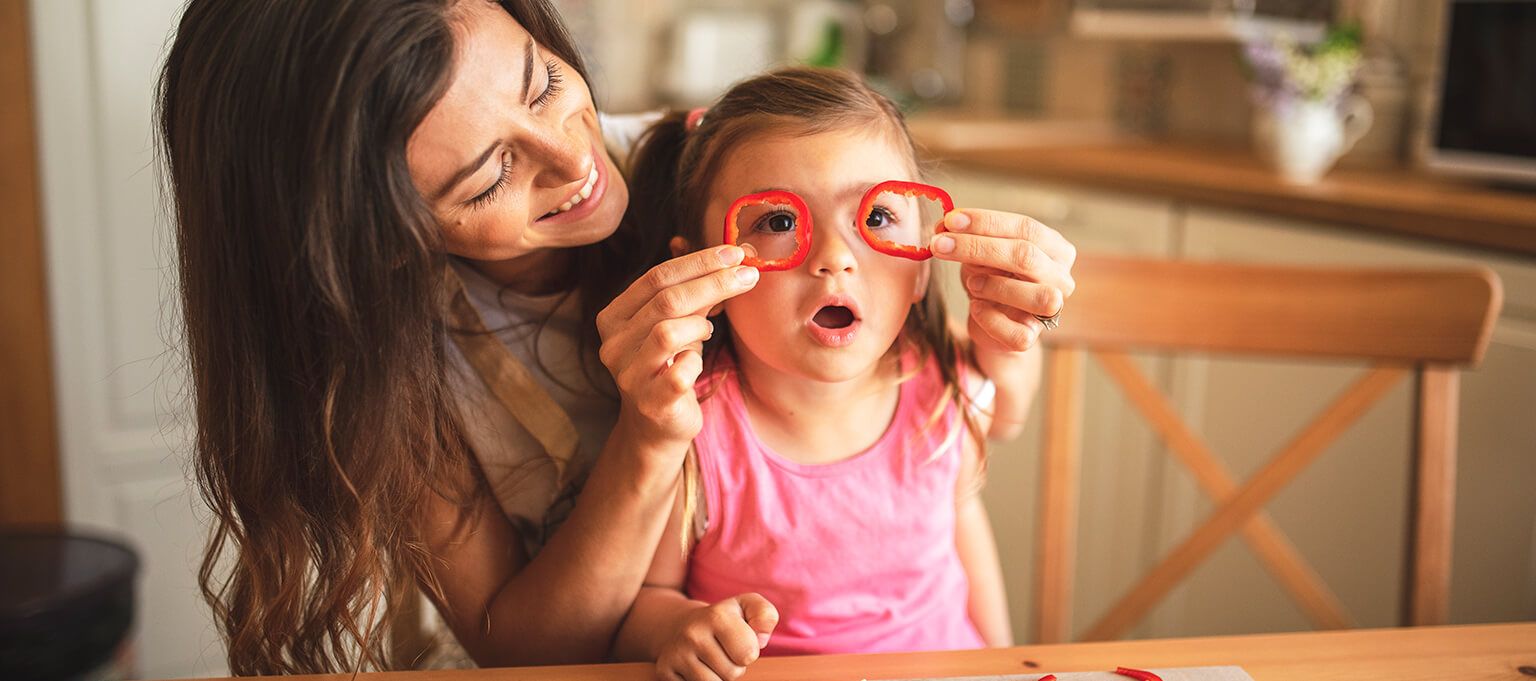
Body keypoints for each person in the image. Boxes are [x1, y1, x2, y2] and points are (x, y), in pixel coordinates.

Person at [157, 0, 1074, 674]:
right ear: (382, 242)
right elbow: (524, 648)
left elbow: (965, 447)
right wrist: (649, 442)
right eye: (488, 180)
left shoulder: (710, 169)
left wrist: (1016, 327)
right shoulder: (386, 376)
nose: (576, 161)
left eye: (548, 83)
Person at [610, 67, 1076, 681]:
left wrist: (1014, 332)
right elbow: (642, 601)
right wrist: (676, 627)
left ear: (921, 268)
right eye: (777, 222)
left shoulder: (939, 382)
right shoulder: (692, 427)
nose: (834, 257)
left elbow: (1009, 415)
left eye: (877, 218)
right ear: (701, 275)